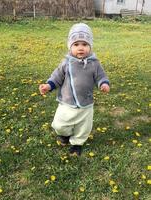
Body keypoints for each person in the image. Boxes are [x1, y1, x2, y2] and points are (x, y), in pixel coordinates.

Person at [39, 23, 110, 156]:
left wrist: (103, 84)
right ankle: (64, 135)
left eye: (84, 44)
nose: (80, 48)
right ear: (70, 46)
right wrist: (48, 86)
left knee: (83, 126)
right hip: (67, 101)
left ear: (90, 46)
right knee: (60, 124)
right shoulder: (66, 63)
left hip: (85, 103)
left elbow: (101, 76)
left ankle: (77, 144)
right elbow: (56, 77)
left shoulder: (94, 63)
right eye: (76, 44)